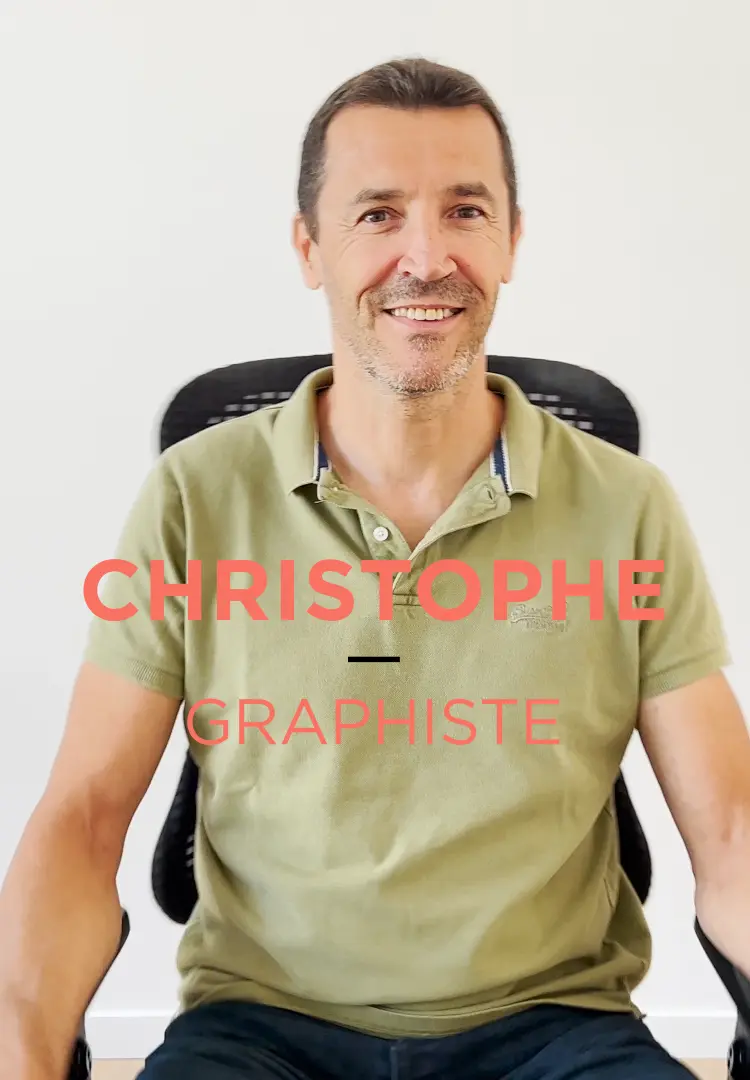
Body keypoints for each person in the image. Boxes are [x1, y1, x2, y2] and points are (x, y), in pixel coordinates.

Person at [1, 56, 749, 1080]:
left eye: (466, 212)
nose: (427, 257)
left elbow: (733, 831)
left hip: (555, 1030)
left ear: (512, 240)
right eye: (378, 215)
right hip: (262, 1031)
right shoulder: (193, 498)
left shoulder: (628, 508)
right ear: (309, 248)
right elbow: (81, 823)